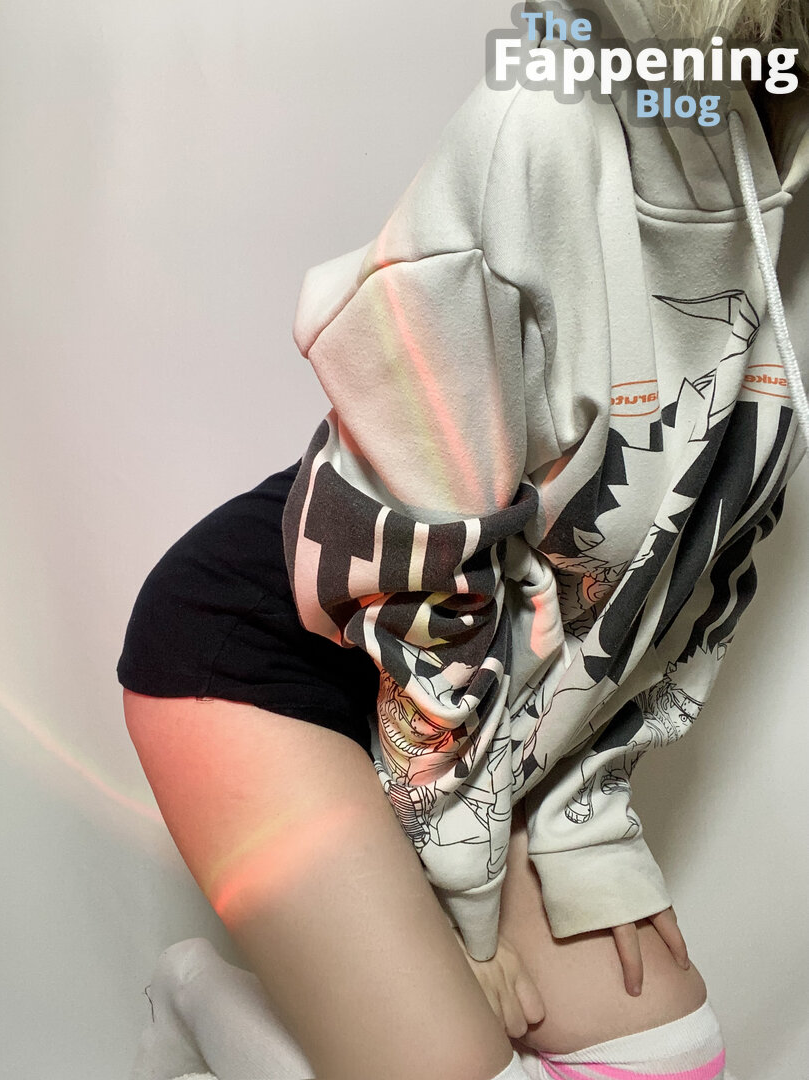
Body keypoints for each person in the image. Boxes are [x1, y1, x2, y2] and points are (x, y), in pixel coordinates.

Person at [118, 0, 809, 1076]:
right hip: (279, 648)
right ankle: (199, 998)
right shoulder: (537, 123)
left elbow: (676, 575)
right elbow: (415, 547)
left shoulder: (768, 157)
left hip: (483, 690)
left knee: (672, 1057)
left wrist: (585, 809)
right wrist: (457, 899)